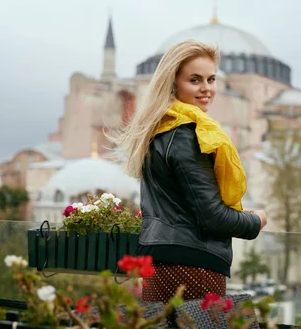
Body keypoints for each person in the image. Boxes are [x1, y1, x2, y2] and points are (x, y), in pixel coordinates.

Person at [113, 40, 268, 303]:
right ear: (173, 83)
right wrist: (257, 221)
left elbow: (184, 203)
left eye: (211, 79)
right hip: (193, 265)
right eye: (195, 80)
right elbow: (213, 218)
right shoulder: (189, 135)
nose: (206, 88)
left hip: (159, 262)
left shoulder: (159, 129)